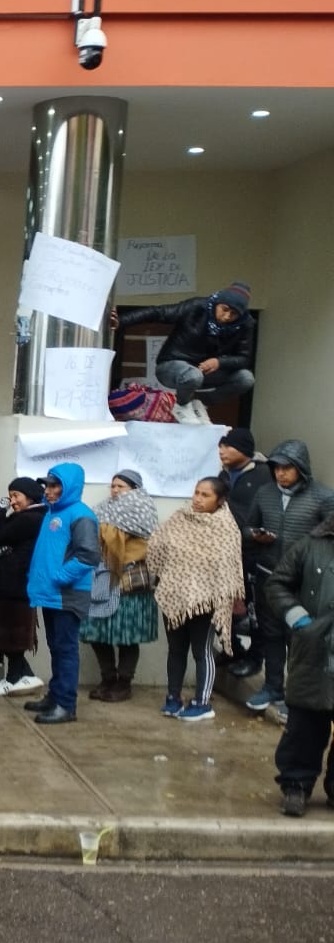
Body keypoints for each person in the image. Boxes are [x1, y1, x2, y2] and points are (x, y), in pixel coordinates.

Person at [244, 440, 334, 718]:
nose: (280, 474)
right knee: (270, 634)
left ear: (301, 469)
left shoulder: (323, 497)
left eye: (287, 468)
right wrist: (254, 535)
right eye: (276, 468)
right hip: (268, 574)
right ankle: (272, 687)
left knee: (299, 639)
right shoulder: (264, 493)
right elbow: (247, 526)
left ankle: (295, 695)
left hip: (305, 582)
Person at [146, 476, 245, 722]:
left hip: (207, 601)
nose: (198, 499)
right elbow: (158, 544)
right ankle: (173, 697)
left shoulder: (226, 528)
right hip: (174, 595)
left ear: (220, 500)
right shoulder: (180, 518)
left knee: (202, 651)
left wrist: (210, 590)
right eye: (196, 492)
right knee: (176, 650)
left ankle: (202, 703)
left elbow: (228, 568)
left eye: (205, 495)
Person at [264, 508, 334, 816]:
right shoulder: (310, 545)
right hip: (314, 650)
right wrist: (298, 619)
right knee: (304, 726)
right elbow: (277, 584)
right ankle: (296, 786)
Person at [110, 282, 255, 424]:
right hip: (172, 366)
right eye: (225, 309)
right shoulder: (197, 307)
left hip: (205, 371)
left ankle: (200, 402)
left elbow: (244, 358)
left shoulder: (245, 324)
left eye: (234, 314)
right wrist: (121, 321)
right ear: (218, 303)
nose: (227, 316)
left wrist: (219, 362)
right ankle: (181, 406)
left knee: (246, 378)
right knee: (193, 375)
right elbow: (158, 313)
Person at [23, 463, 99, 724]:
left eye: (55, 485)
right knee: (56, 647)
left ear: (69, 487)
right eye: (47, 485)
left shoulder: (81, 515)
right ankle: (56, 696)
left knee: (65, 649)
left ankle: (66, 705)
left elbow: (88, 555)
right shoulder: (51, 513)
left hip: (67, 594)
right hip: (52, 593)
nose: (49, 490)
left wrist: (59, 578)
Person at [80, 469, 161, 704]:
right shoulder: (102, 508)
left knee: (127, 635)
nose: (115, 491)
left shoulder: (142, 508)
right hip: (103, 578)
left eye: (121, 486)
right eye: (113, 486)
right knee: (97, 632)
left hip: (130, 582)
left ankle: (124, 682)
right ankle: (107, 678)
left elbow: (145, 539)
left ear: (134, 489)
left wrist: (104, 530)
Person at [0, 478, 48, 697]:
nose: (12, 501)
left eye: (16, 496)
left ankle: (13, 679)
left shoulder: (30, 519)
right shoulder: (31, 517)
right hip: (11, 583)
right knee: (9, 632)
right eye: (10, 496)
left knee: (12, 633)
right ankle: (24, 676)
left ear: (30, 497)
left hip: (14, 584)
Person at [217, 426, 271, 673]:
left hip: (253, 553)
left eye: (228, 446)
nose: (222, 451)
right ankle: (232, 650)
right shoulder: (223, 476)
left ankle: (254, 659)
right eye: (220, 446)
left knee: (254, 609)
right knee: (221, 605)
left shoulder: (264, 475)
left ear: (244, 450)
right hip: (226, 552)